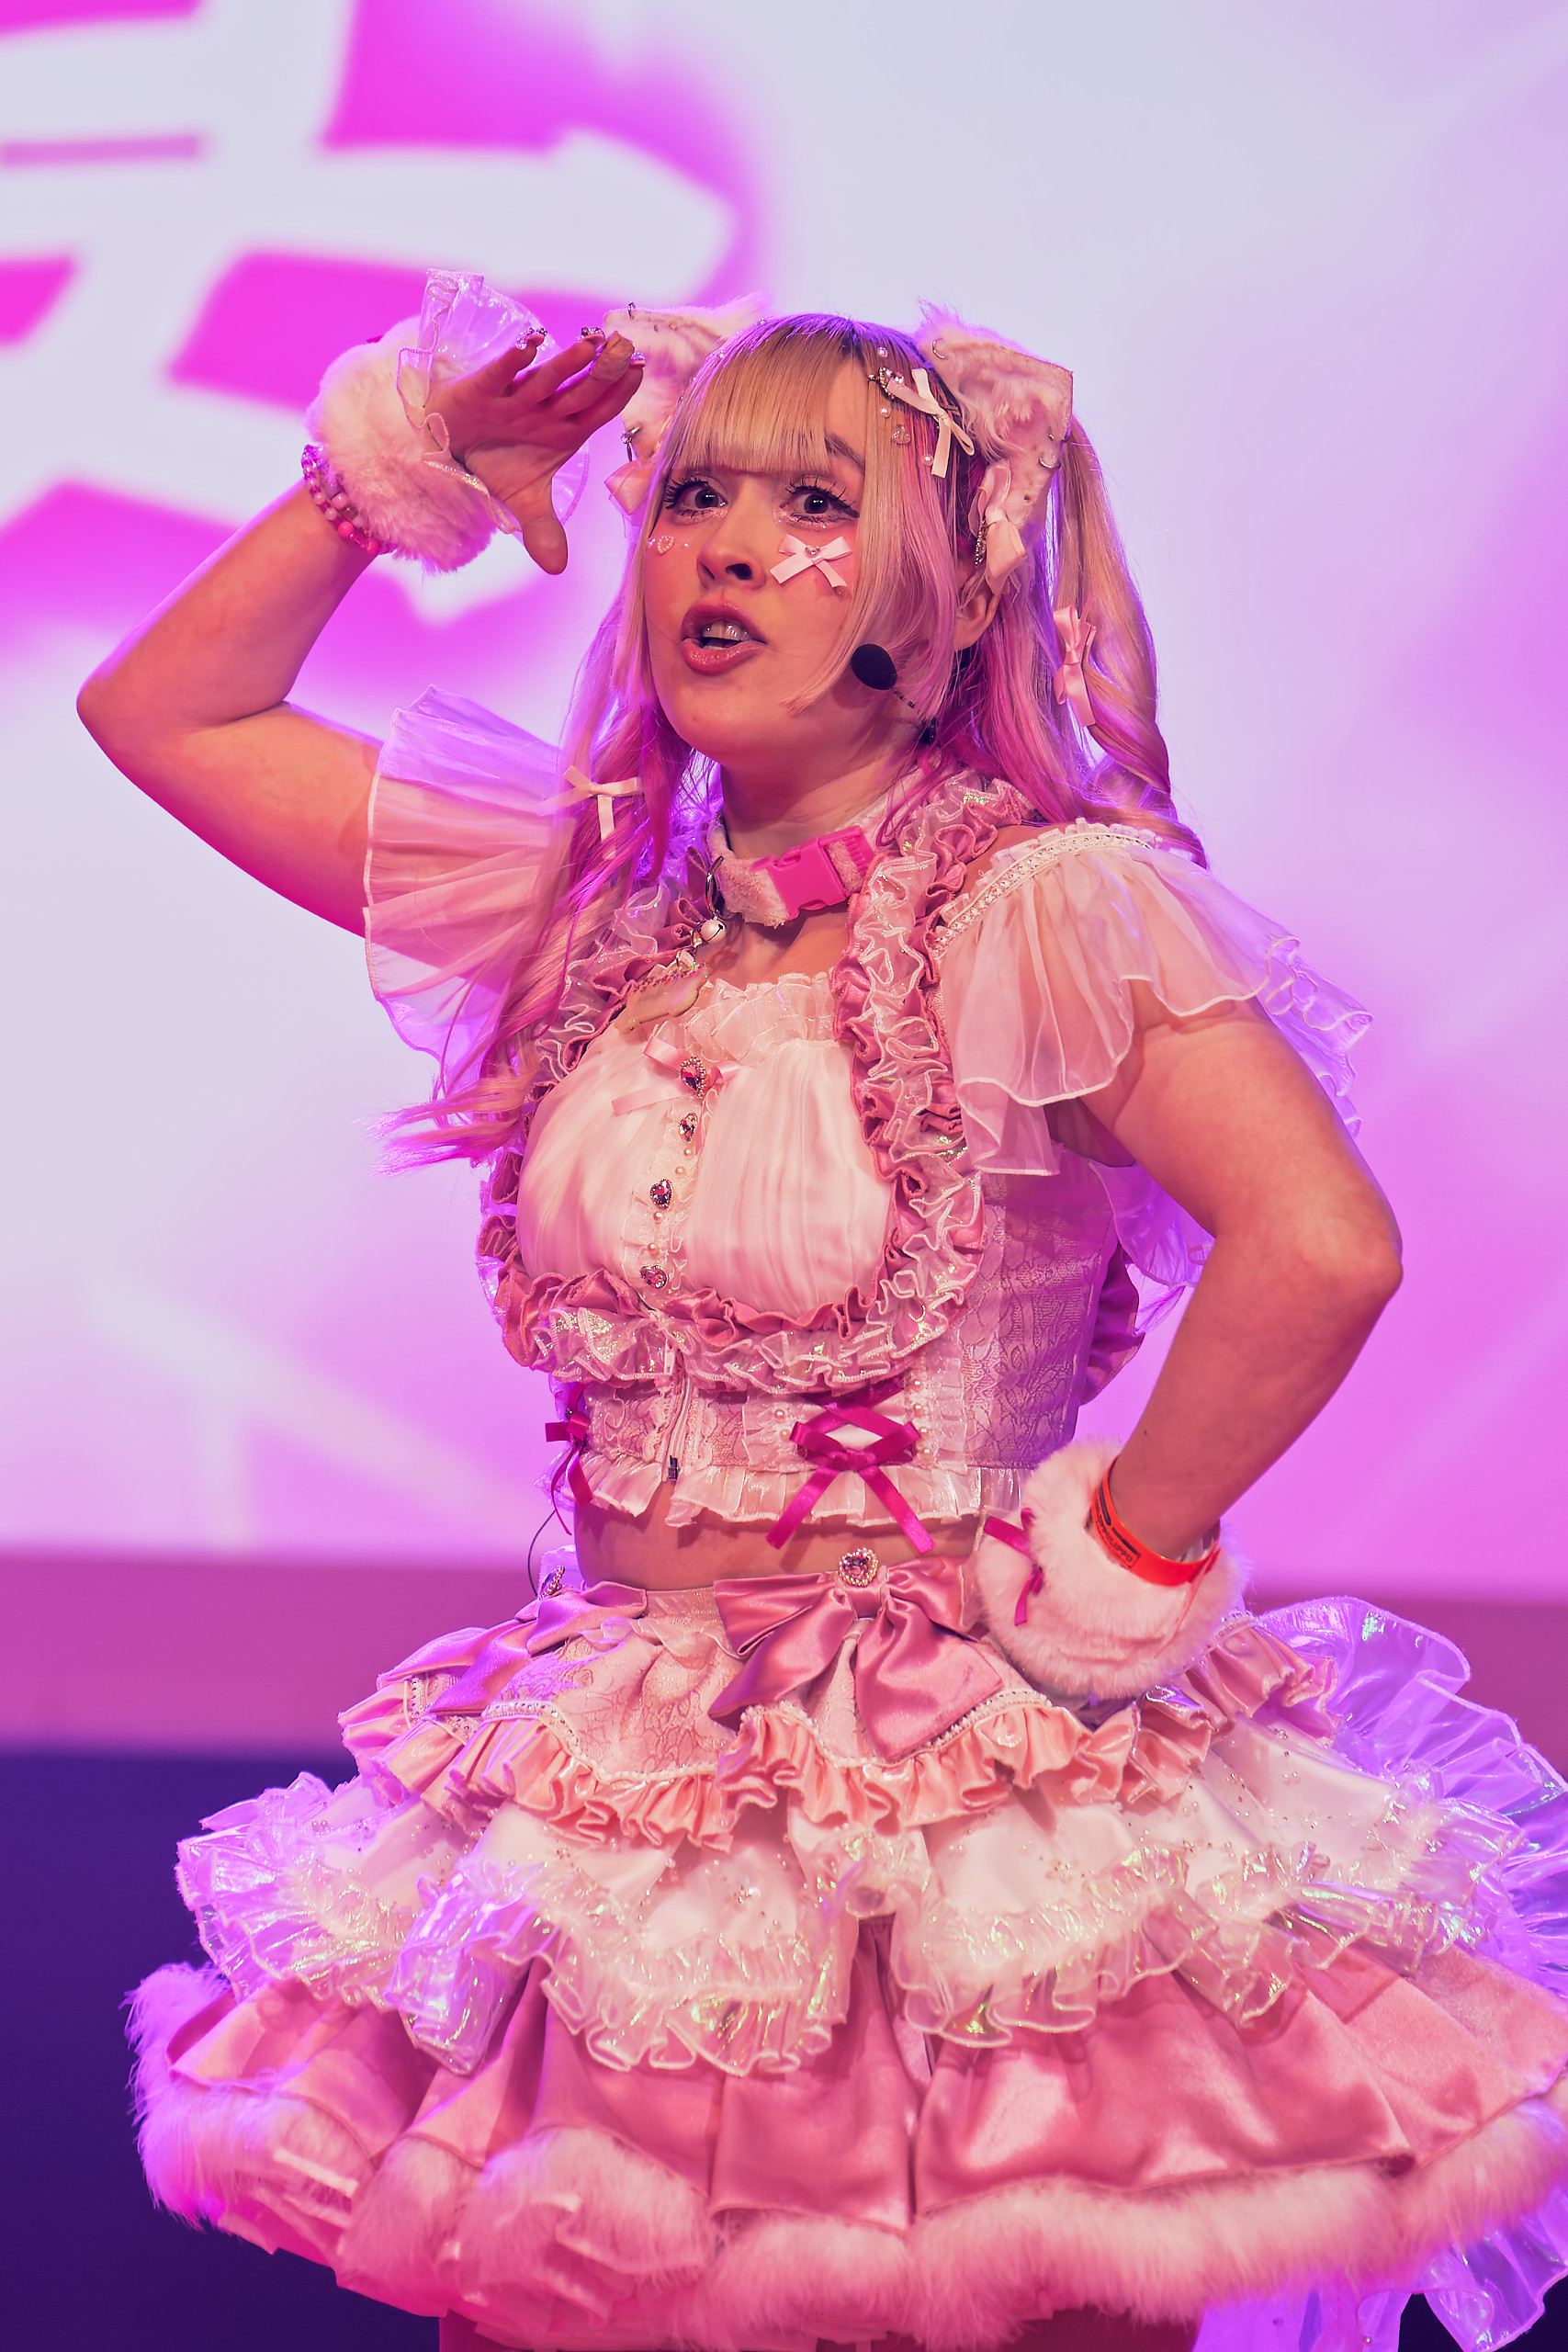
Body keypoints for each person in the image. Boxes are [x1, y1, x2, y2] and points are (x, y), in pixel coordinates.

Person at [81, 273, 1568, 2352]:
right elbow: (168, 714)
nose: (723, 550)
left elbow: (1319, 1241)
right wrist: (390, 479)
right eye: (693, 496)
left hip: (969, 1805)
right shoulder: (590, 902)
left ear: (946, 602)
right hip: (626, 1786)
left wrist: (1117, 1561)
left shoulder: (1047, 902)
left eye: (812, 505)